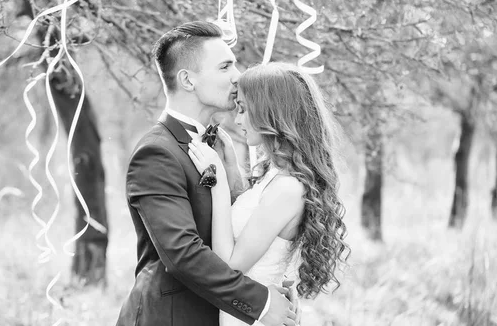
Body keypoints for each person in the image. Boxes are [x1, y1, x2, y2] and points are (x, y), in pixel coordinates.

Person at [116, 21, 297, 326]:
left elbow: (238, 229)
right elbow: (184, 255)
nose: (237, 76)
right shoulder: (157, 153)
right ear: (187, 80)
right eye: (225, 66)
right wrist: (262, 303)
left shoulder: (218, 147)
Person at [188, 62, 350, 326]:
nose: (238, 119)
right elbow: (251, 222)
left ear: (269, 113)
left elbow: (230, 266)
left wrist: (215, 179)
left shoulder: (287, 188)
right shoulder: (275, 176)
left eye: (243, 108)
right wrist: (230, 168)